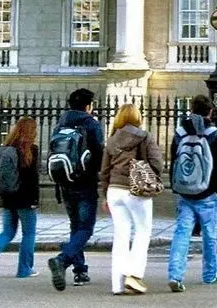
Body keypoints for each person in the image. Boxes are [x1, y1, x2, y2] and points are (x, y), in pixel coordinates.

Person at [97, 104, 164, 295]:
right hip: (136, 190)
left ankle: (116, 285)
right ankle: (133, 275)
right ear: (137, 118)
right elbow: (157, 163)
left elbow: (105, 171)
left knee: (121, 236)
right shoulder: (144, 137)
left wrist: (105, 196)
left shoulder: (111, 140)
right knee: (143, 232)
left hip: (114, 191)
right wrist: (152, 175)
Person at [166, 94, 217, 293]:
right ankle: (209, 274)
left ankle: (175, 275)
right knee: (209, 235)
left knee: (181, 233)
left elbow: (174, 160)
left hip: (185, 190)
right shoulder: (214, 134)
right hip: (207, 191)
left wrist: (176, 185)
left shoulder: (180, 132)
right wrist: (216, 187)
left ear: (191, 110)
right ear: (211, 112)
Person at [47, 88, 105, 292]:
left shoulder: (60, 123)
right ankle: (62, 260)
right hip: (85, 180)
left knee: (75, 225)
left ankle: (80, 270)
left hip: (64, 180)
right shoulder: (90, 123)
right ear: (89, 105)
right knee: (86, 227)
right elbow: (99, 152)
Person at [0, 117, 41, 279]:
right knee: (29, 234)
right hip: (25, 199)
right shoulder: (30, 150)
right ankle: (24, 269)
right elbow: (32, 179)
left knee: (8, 231)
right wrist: (34, 201)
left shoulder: (5, 149)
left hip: (6, 197)